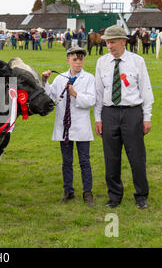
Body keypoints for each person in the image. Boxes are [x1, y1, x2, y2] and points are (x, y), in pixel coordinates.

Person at [94, 25, 154, 210]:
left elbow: (146, 90)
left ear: (123, 41)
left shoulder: (137, 61)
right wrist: (98, 117)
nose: (109, 46)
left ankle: (141, 195)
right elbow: (98, 92)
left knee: (136, 157)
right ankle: (114, 196)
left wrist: (146, 117)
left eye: (112, 42)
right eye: (107, 42)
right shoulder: (101, 62)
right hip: (109, 113)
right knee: (111, 157)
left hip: (132, 113)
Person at [42, 46, 96, 206]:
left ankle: (88, 192)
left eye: (81, 60)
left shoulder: (89, 78)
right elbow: (50, 96)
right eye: (74, 60)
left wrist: (75, 93)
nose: (78, 63)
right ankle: (68, 191)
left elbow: (91, 101)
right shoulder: (60, 78)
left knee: (84, 161)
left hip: (81, 126)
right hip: (64, 126)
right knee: (66, 161)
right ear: (68, 60)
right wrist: (45, 81)